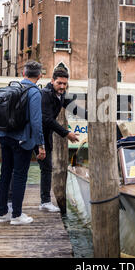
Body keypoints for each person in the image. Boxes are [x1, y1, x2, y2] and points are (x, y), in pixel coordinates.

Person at [0, 61, 46, 225]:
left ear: (23, 74)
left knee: (5, 174)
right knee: (19, 175)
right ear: (39, 76)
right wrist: (41, 144)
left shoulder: (12, 87)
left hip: (5, 136)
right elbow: (36, 121)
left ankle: (2, 213)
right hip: (22, 139)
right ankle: (16, 215)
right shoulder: (34, 92)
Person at [37, 69, 84, 212]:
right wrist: (66, 133)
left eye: (65, 83)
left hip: (46, 136)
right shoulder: (45, 95)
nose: (62, 86)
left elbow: (75, 109)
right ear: (52, 81)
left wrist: (94, 116)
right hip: (35, 136)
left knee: (46, 169)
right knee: (21, 169)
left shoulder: (61, 95)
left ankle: (45, 202)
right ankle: (10, 202)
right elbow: (46, 119)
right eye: (59, 83)